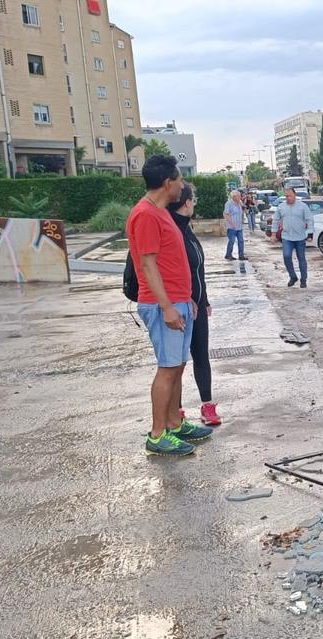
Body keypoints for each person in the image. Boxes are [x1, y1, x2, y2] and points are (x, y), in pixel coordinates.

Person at [126, 155, 214, 456]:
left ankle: (175, 424)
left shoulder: (160, 211)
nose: (182, 186)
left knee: (177, 366)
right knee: (167, 369)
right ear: (168, 183)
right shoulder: (146, 215)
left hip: (178, 301)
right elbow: (148, 265)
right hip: (163, 306)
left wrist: (185, 296)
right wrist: (166, 307)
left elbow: (168, 262)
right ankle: (157, 433)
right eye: (179, 180)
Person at [167, 182, 222, 427]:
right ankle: (176, 409)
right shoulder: (170, 229)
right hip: (178, 306)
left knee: (201, 355)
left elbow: (198, 270)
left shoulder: (186, 229)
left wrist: (204, 299)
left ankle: (207, 406)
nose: (194, 204)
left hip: (197, 306)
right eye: (193, 200)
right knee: (176, 361)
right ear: (186, 202)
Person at [274, 186, 314, 288]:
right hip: (287, 237)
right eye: (286, 196)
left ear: (294, 195)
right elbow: (276, 220)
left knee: (301, 258)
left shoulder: (303, 206)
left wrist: (310, 234)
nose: (288, 198)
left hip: (300, 237)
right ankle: (293, 276)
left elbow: (309, 220)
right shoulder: (281, 207)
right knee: (286, 256)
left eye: (290, 196)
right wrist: (273, 234)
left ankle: (303, 279)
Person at [223, 190, 246, 261]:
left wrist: (242, 219)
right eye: (238, 196)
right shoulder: (229, 204)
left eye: (240, 196)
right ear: (234, 196)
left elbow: (242, 211)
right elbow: (226, 214)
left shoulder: (239, 203)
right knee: (232, 241)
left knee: (241, 241)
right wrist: (232, 223)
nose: (240, 197)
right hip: (231, 227)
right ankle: (228, 255)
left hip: (239, 226)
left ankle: (241, 255)